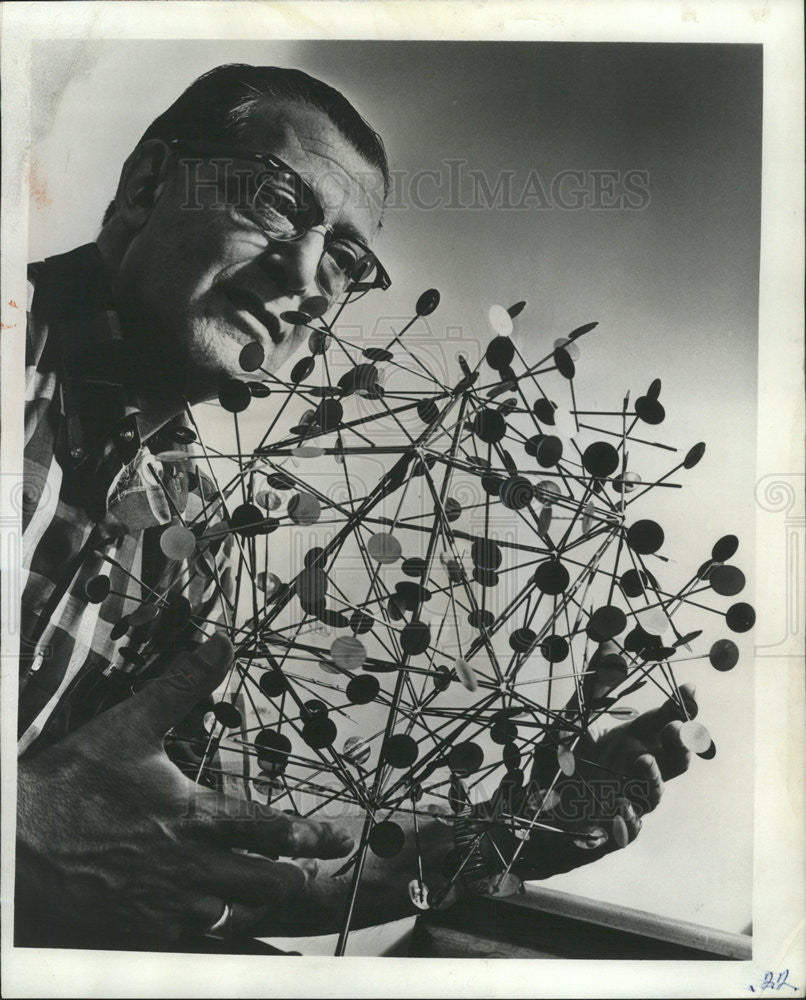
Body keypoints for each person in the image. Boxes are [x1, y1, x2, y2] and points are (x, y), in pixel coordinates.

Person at [16, 63, 697, 952]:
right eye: (271, 200)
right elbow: (60, 837)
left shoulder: (190, 541)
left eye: (343, 260)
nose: (304, 274)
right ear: (148, 185)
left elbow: (208, 868)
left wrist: (518, 830)